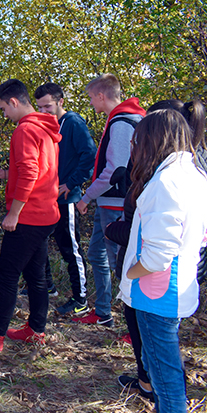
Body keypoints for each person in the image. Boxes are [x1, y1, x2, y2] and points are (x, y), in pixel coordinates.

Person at [110, 99, 207, 405]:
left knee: (165, 372)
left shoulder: (166, 183)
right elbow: (206, 230)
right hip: (169, 284)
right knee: (159, 361)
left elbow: (158, 254)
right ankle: (160, 408)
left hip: (157, 290)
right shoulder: (191, 175)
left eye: (138, 140)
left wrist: (132, 271)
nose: (135, 147)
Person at [0, 79, 60, 352]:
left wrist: (14, 213)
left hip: (29, 216)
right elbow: (39, 171)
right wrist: (6, 174)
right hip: (46, 213)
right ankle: (36, 329)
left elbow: (32, 173)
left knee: (7, 274)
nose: (4, 115)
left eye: (3, 109)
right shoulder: (45, 128)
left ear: (14, 102)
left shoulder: (25, 130)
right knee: (35, 275)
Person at [75, 74, 145, 327]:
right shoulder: (126, 118)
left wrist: (86, 197)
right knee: (98, 253)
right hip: (109, 200)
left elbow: (116, 169)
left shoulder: (122, 122)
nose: (92, 103)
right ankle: (104, 312)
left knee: (122, 261)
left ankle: (137, 323)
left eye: (92, 98)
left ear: (101, 96)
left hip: (116, 201)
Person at [33, 82, 96, 316]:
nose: (43, 111)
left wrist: (71, 183)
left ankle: (80, 300)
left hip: (66, 199)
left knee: (71, 249)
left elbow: (89, 155)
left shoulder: (73, 123)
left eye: (47, 106)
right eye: (39, 107)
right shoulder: (47, 125)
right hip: (46, 198)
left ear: (60, 102)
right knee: (37, 240)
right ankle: (48, 286)